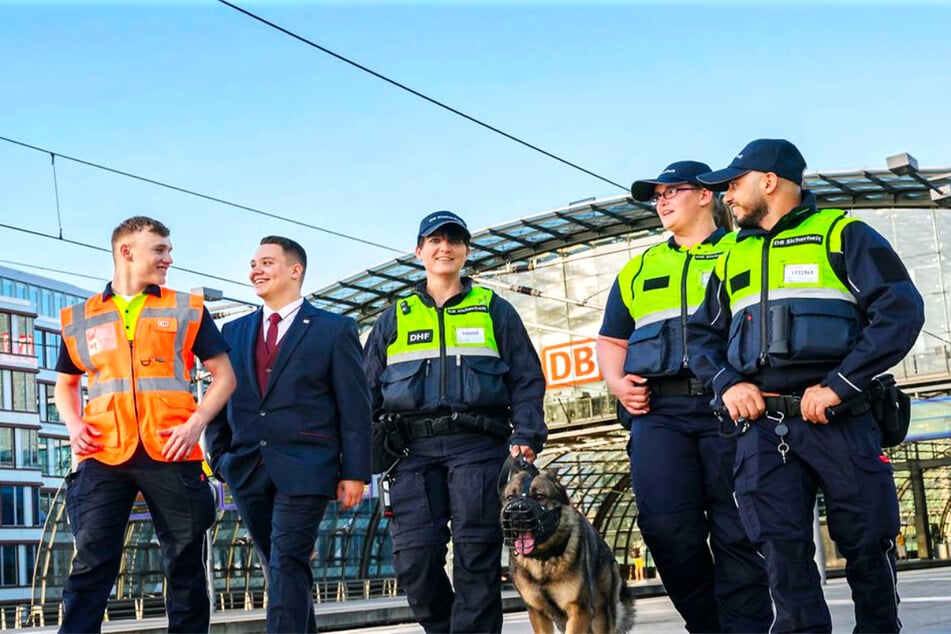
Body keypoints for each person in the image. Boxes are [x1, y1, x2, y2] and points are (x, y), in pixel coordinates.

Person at [686, 138, 924, 633]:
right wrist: (729, 384)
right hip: (762, 426)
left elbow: (900, 312)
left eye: (733, 185)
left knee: (866, 542)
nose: (726, 197)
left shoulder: (843, 235)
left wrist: (840, 385)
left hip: (842, 417)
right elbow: (701, 339)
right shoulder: (729, 254)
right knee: (779, 548)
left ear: (768, 182)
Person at [596, 161, 771, 632]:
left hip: (732, 409)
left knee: (740, 532)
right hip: (659, 412)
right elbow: (612, 340)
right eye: (657, 195)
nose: (663, 200)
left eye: (674, 190)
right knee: (665, 530)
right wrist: (616, 382)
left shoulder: (747, 249)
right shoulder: (640, 268)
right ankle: (708, 625)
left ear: (705, 195)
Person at [363, 211, 547, 634]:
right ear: (419, 251)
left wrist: (527, 436)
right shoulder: (395, 317)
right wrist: (361, 449)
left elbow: (526, 378)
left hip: (479, 448)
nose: (444, 247)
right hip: (410, 453)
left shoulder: (494, 310)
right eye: (434, 240)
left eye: (454, 240)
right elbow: (364, 391)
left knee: (476, 558)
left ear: (466, 251)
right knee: (414, 560)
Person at [54, 216, 236, 633]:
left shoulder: (186, 308)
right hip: (103, 452)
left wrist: (195, 425)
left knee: (185, 563)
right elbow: (66, 385)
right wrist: (73, 426)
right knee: (91, 563)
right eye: (160, 250)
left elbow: (225, 376)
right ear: (126, 252)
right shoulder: (79, 318)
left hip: (173, 448)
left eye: (168, 250)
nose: (168, 258)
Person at [204, 236, 371, 633]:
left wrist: (355, 472)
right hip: (245, 468)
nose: (255, 271)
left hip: (308, 468)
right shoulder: (234, 331)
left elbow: (354, 405)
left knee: (286, 561)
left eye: (266, 262)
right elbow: (219, 390)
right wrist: (219, 458)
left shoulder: (334, 329)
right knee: (280, 566)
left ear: (295, 270)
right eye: (252, 264)